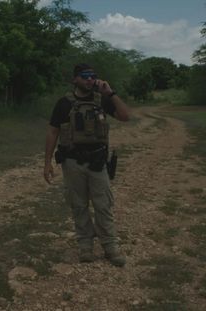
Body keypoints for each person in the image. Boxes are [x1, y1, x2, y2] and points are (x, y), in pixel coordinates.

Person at [44, 63, 130, 267]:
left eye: (93, 76)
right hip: (72, 162)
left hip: (98, 162)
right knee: (79, 205)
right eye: (85, 76)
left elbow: (125, 117)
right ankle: (85, 246)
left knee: (103, 205)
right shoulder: (64, 103)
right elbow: (53, 132)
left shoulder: (103, 100)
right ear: (75, 79)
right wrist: (47, 162)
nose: (90, 80)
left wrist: (111, 93)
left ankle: (110, 247)